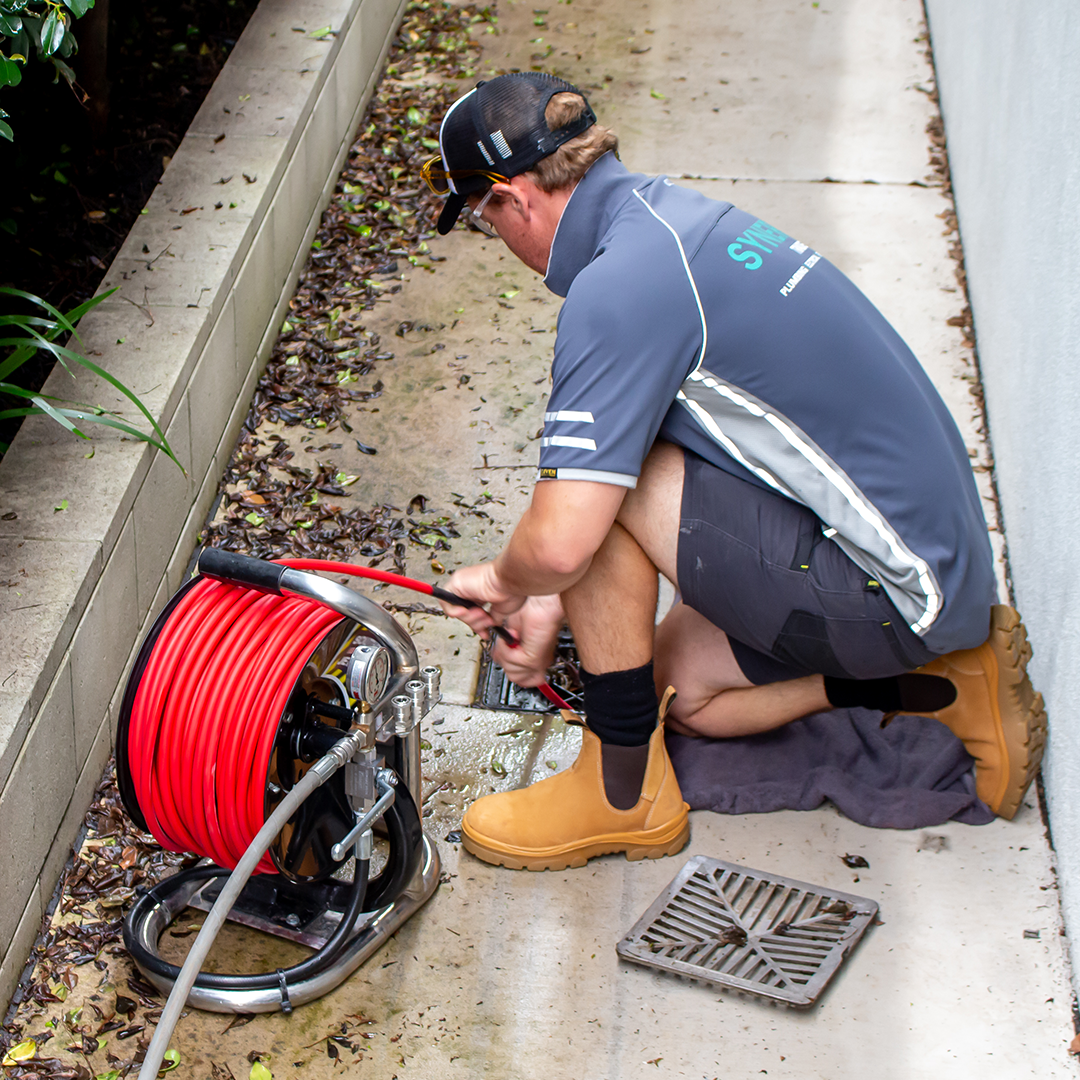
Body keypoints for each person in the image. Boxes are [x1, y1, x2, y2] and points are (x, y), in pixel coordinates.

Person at [422, 72, 1047, 871]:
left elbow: (563, 538)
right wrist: (553, 595)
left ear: (515, 199)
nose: (499, 244)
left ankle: (622, 797)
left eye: (481, 222)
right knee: (679, 699)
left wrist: (513, 584)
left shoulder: (620, 288)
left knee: (604, 480)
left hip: (891, 591)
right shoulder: (667, 221)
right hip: (933, 578)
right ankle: (945, 684)